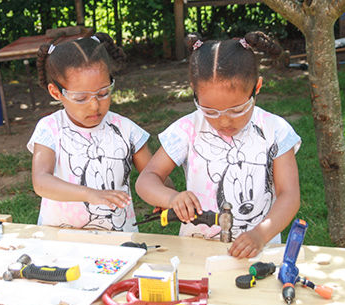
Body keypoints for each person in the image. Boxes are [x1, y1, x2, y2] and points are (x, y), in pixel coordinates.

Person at [136, 32, 301, 259]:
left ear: (257, 87)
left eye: (236, 110)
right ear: (194, 93)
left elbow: (289, 194)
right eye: (210, 111)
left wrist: (261, 235)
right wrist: (171, 198)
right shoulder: (187, 129)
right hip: (195, 254)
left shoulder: (276, 131)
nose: (224, 121)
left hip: (259, 254)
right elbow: (147, 179)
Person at [27, 32, 152, 232]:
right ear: (55, 92)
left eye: (103, 93)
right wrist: (90, 194)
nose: (94, 105)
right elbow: (41, 181)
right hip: (60, 242)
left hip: (118, 243)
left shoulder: (126, 129)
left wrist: (168, 196)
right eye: (80, 98)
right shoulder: (50, 128)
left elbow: (154, 175)